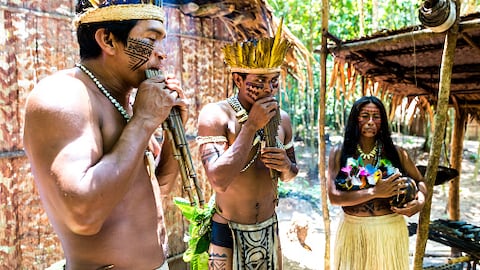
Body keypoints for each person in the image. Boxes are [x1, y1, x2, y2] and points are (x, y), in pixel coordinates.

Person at [22, 1, 187, 269]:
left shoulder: (125, 104)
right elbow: (82, 214)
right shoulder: (64, 95)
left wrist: (171, 136)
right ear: (108, 40)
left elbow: (157, 190)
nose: (162, 54)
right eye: (150, 38)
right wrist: (144, 121)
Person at [196, 20, 298, 270]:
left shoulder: (282, 119)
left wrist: (285, 166)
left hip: (269, 229)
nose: (268, 89)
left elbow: (291, 174)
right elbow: (218, 180)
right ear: (238, 79)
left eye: (274, 81)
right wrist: (251, 126)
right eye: (259, 82)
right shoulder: (216, 115)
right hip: (228, 232)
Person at [327, 96, 428, 270]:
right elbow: (334, 198)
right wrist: (374, 192)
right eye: (364, 116)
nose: (370, 122)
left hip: (389, 231)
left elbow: (421, 181)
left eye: (376, 117)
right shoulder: (339, 153)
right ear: (354, 119)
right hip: (353, 232)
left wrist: (420, 202)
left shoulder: (397, 153)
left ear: (383, 121)